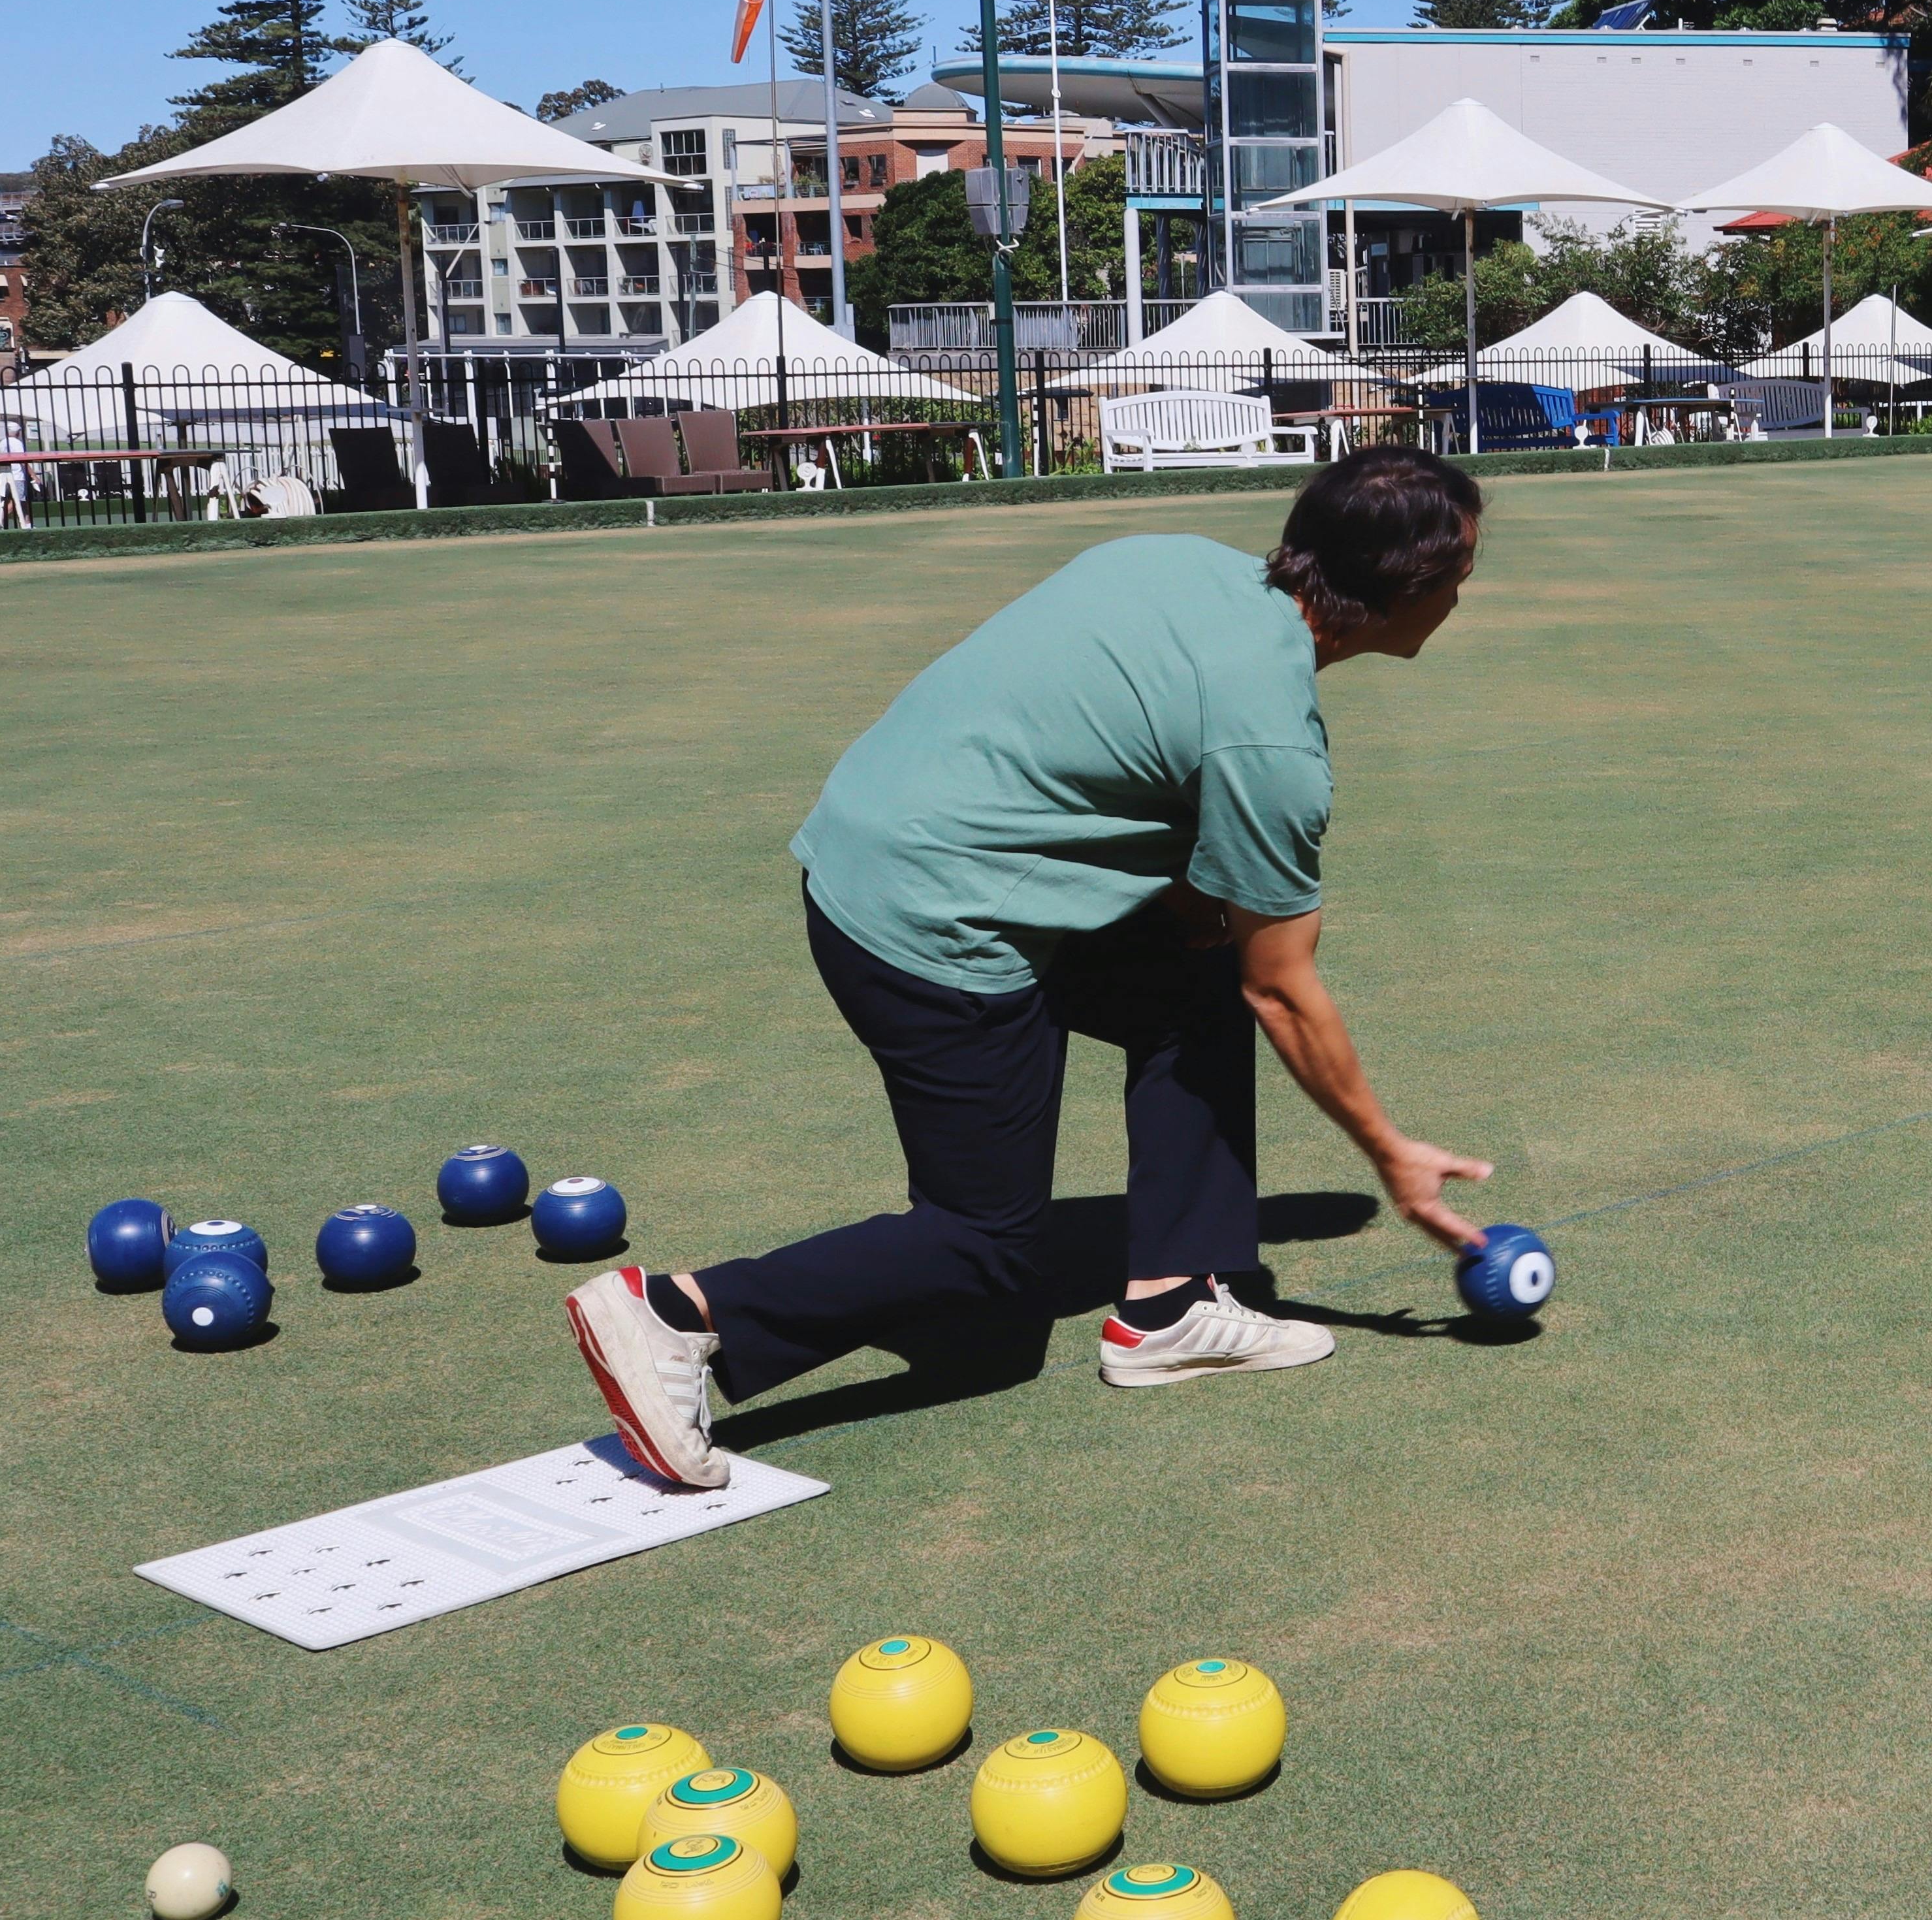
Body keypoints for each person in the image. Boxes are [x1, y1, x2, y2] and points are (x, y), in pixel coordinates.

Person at [566, 445, 1498, 1489]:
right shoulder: (1271, 743)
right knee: (983, 1246)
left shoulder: (1174, 560)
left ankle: (1172, 1304)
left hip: (875, 839)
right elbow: (1284, 986)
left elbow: (1096, 745)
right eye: (1459, 572)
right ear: (1406, 591)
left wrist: (1188, 896)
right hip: (927, 923)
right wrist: (1391, 1152)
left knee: (1193, 982)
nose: (1465, 592)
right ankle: (680, 1314)